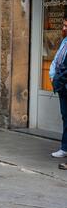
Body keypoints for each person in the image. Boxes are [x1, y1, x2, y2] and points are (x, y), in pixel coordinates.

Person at [49, 17, 67, 170]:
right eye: (64, 25)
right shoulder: (64, 41)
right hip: (62, 87)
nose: (64, 28)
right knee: (65, 116)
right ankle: (65, 148)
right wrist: (52, 76)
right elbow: (56, 60)